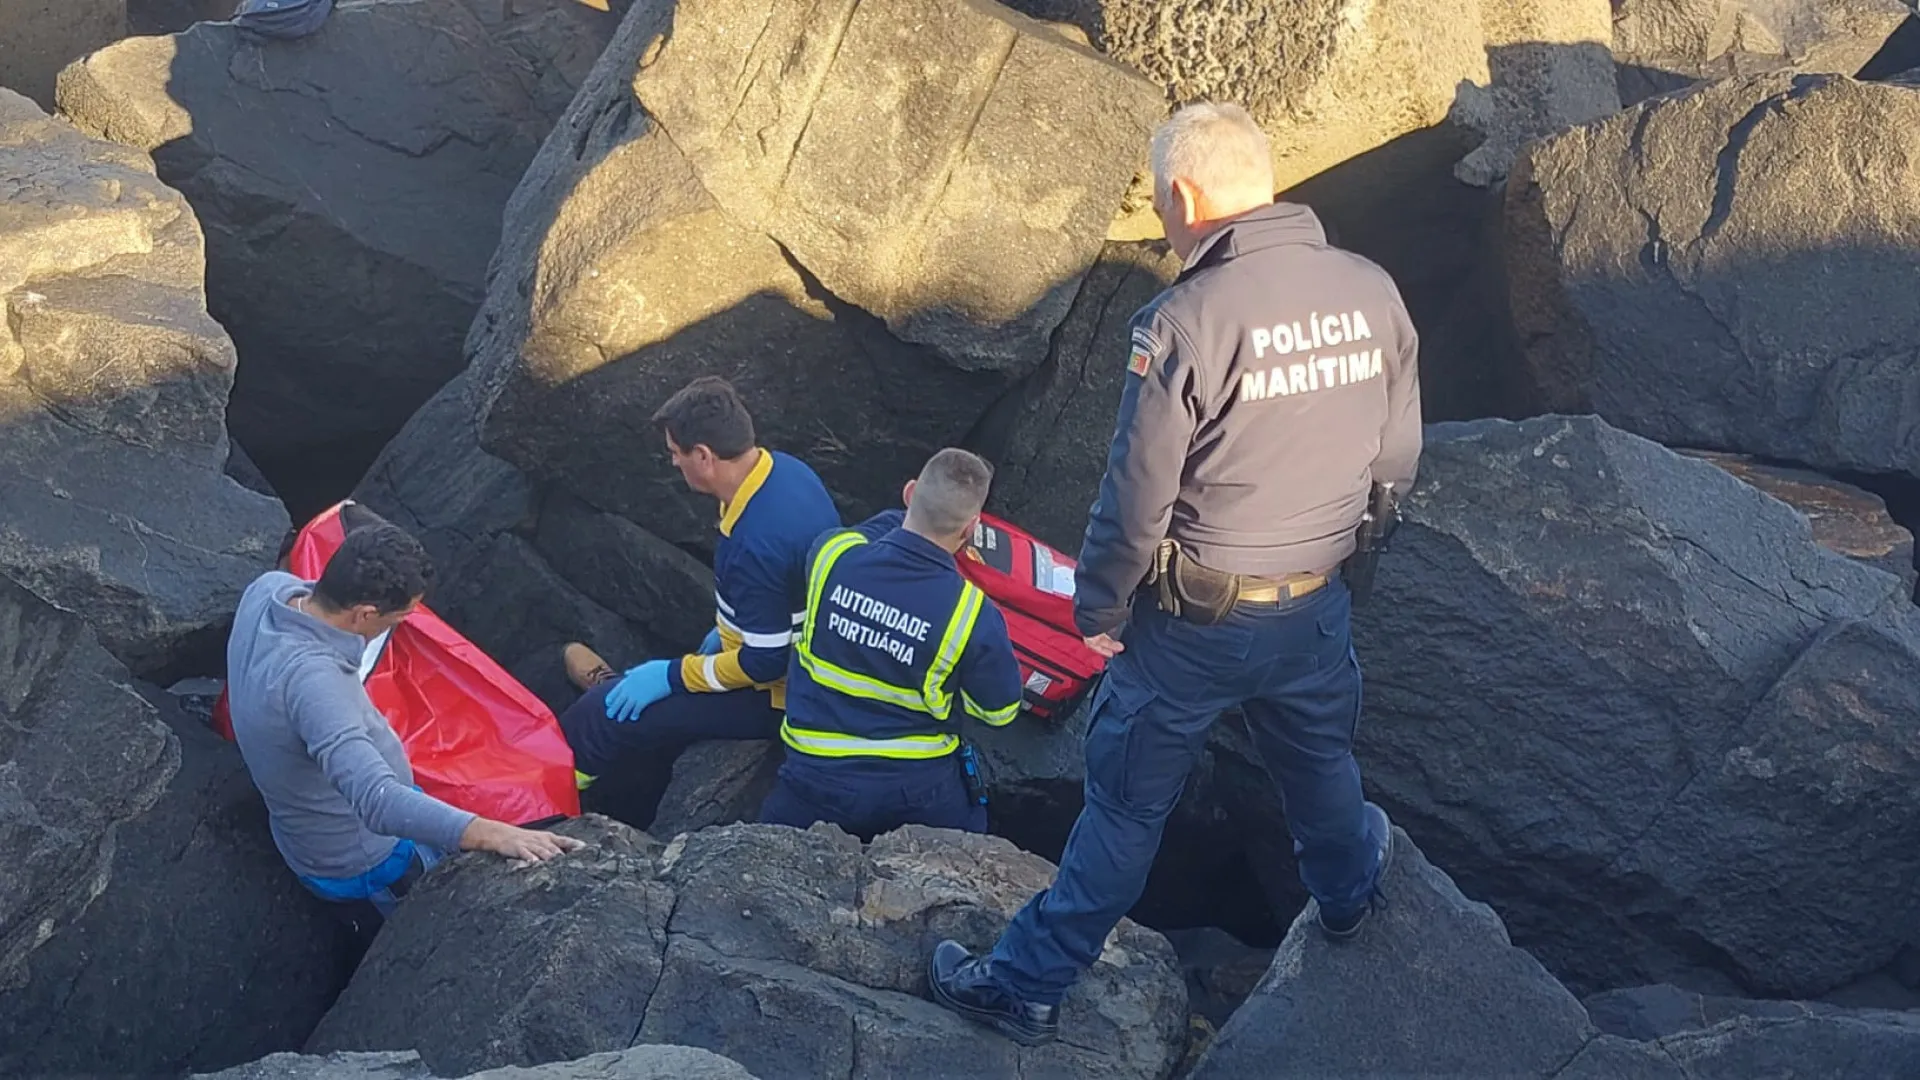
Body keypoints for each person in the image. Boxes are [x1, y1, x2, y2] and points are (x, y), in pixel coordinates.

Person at [927, 101, 1423, 1045]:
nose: (1161, 219)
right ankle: (1351, 895)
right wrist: (1349, 567)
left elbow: (1139, 487)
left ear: (1188, 194)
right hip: (1313, 606)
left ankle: (1027, 983)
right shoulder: (1372, 290)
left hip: (1192, 625)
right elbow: (1396, 462)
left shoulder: (1184, 319)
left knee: (1124, 811)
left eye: (1160, 201)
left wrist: (1099, 607)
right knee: (1318, 762)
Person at [227, 521, 585, 943]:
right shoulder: (315, 684)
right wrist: (495, 832)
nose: (405, 622)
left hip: (307, 821)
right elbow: (378, 802)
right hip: (365, 861)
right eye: (402, 616)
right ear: (365, 614)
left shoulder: (270, 590)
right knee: (426, 936)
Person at [558, 375, 842, 806]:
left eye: (676, 453)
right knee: (647, 700)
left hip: (777, 694)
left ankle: (547, 808)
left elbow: (764, 662)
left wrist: (674, 676)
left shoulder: (755, 542)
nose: (673, 463)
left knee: (594, 720)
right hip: (796, 647)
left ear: (704, 456)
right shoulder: (785, 470)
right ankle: (629, 700)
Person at [758, 448, 1024, 840]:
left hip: (814, 773)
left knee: (766, 851)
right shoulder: (970, 614)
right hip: (915, 787)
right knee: (971, 846)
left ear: (909, 493)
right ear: (970, 530)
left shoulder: (830, 555)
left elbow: (872, 532)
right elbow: (1000, 713)